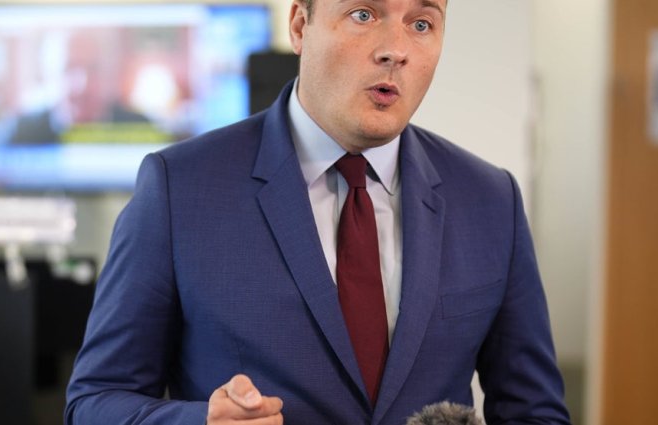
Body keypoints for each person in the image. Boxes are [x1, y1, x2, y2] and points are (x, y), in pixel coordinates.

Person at [66, 0, 571, 424]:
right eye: (363, 14)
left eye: (421, 23)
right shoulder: (179, 188)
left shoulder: (490, 200)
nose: (395, 49)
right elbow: (94, 402)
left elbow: (535, 412)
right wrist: (200, 422)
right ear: (299, 26)